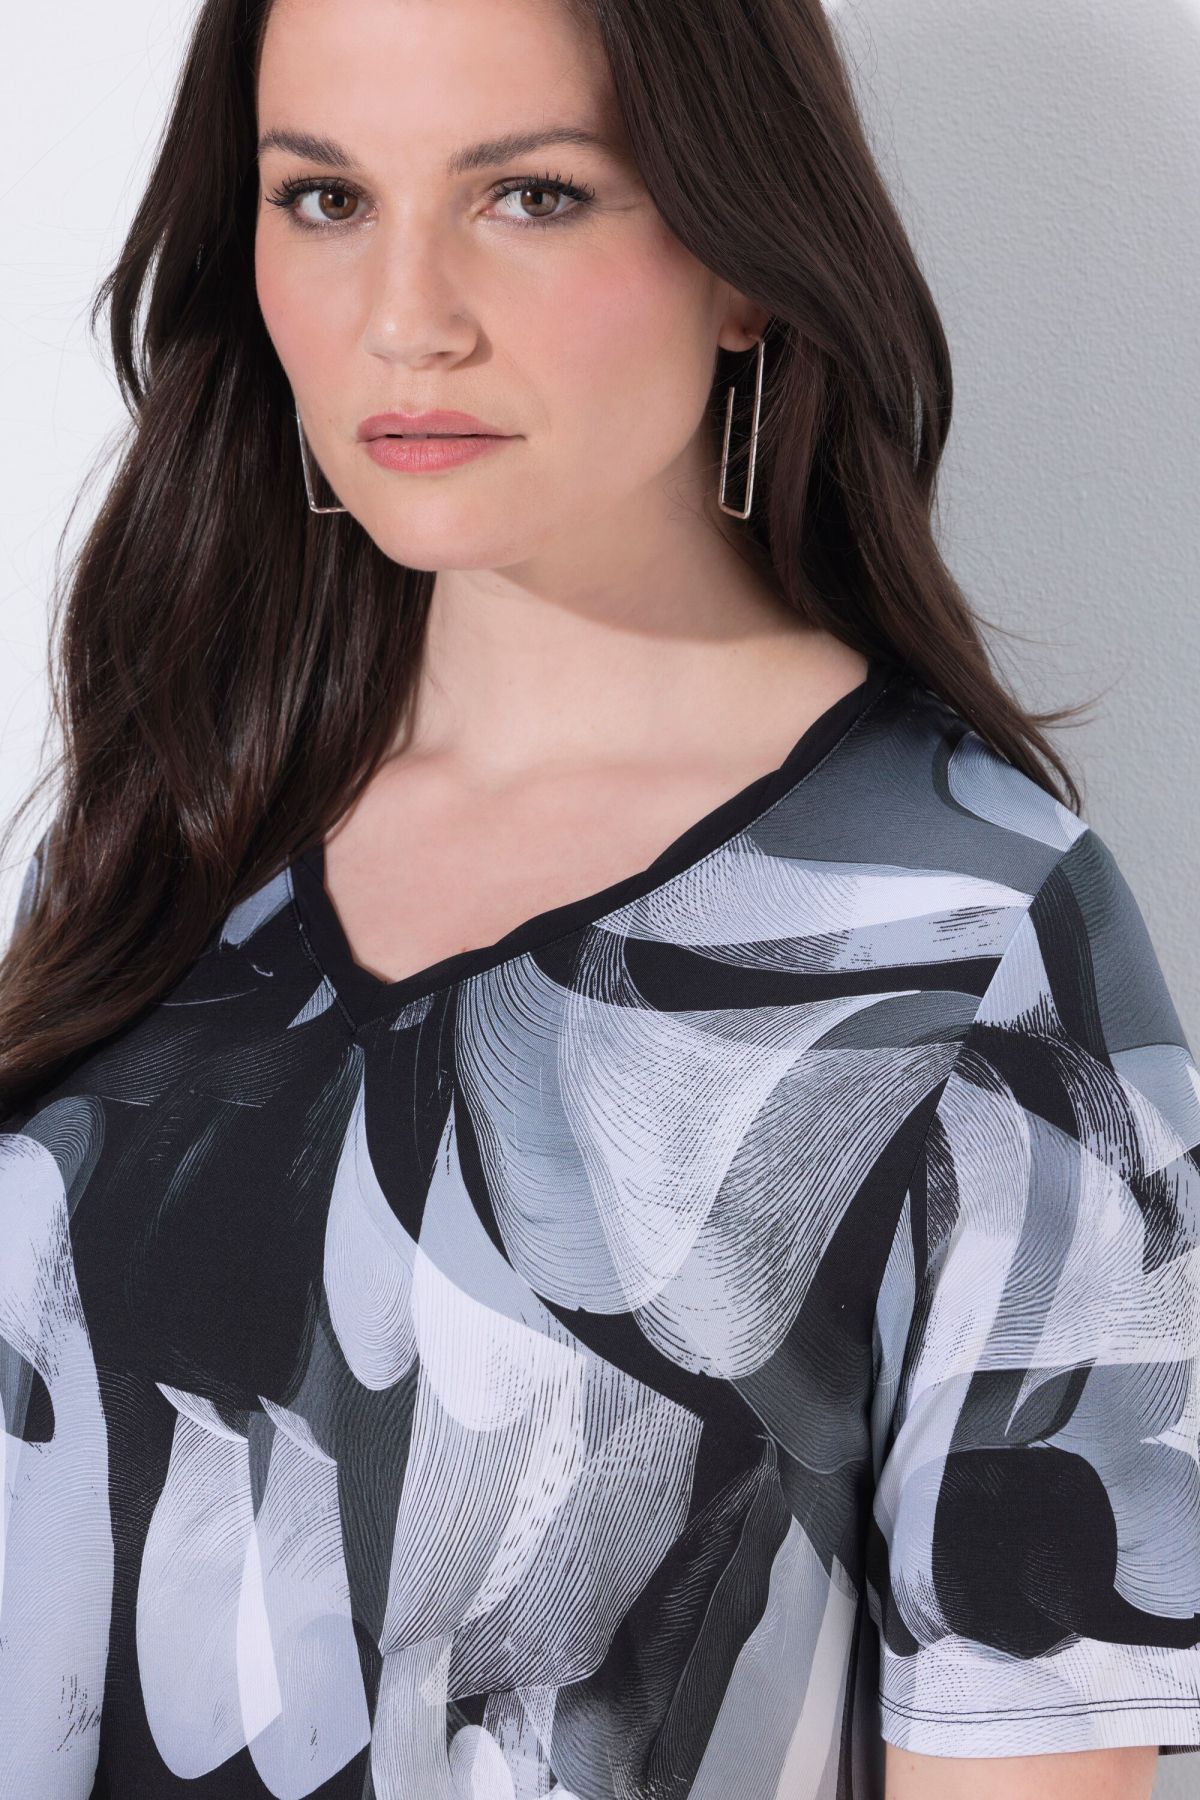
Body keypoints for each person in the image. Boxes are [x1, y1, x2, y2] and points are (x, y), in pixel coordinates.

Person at [1, 0, 1196, 1794]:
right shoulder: (169, 836)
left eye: (532, 195)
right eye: (325, 198)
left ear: (748, 263)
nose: (406, 316)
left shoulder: (975, 945)